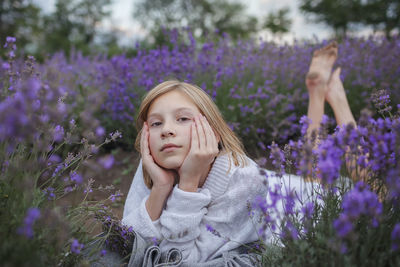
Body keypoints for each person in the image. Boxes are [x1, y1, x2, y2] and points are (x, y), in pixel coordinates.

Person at [121, 41, 358, 265]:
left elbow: (178, 261)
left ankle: (337, 98)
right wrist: (160, 189)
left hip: (305, 207)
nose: (167, 131)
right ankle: (318, 91)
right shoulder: (154, 164)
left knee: (368, 191)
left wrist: (189, 182)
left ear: (213, 132)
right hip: (279, 185)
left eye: (182, 119)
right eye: (155, 124)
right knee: (314, 174)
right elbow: (126, 247)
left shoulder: (242, 181)